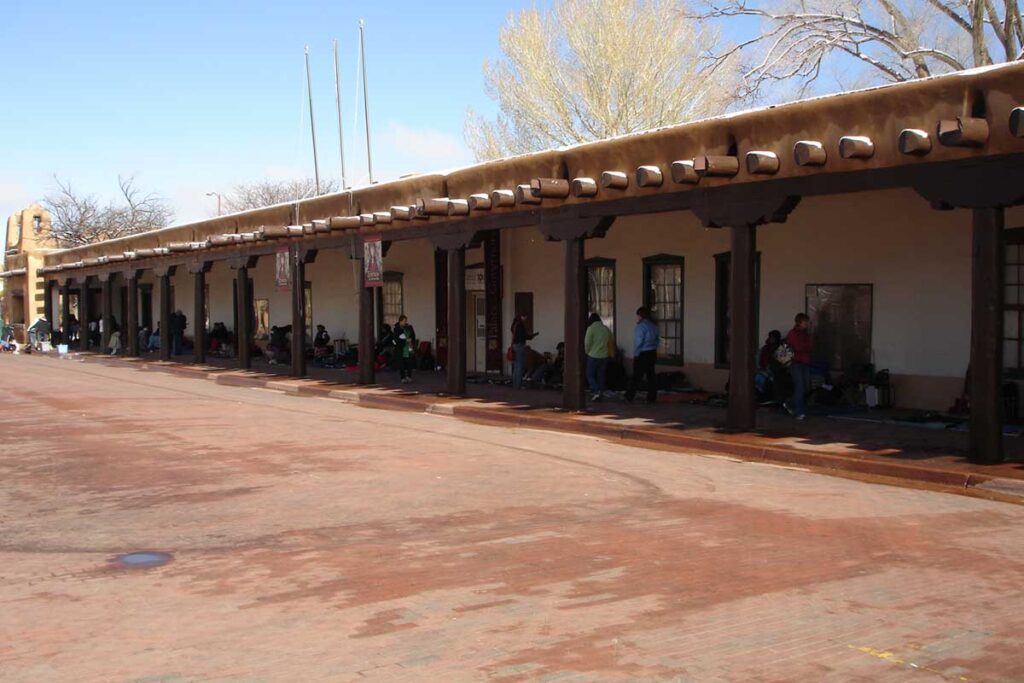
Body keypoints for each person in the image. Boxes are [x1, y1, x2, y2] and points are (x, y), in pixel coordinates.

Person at [625, 306, 659, 404]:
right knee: (651, 376)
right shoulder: (654, 326)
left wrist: (636, 354)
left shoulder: (640, 327)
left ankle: (629, 395)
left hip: (643, 353)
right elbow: (657, 339)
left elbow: (638, 341)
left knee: (636, 376)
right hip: (652, 352)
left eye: (638, 316)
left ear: (640, 315)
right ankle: (651, 397)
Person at [784, 313, 814, 420]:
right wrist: (806, 347)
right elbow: (798, 347)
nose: (807, 324)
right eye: (805, 322)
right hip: (795, 363)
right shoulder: (793, 333)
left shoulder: (806, 334)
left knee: (806, 387)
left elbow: (809, 347)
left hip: (805, 362)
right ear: (799, 322)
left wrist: (806, 347)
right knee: (800, 386)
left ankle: (789, 402)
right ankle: (799, 411)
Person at [584, 313, 613, 401]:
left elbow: (587, 342)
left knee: (590, 374)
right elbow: (610, 341)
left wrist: (587, 351)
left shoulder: (591, 328)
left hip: (593, 355)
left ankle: (596, 391)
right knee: (601, 375)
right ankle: (601, 391)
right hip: (604, 356)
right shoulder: (606, 329)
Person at [510, 313, 538, 389]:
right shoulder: (520, 325)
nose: (525, 318)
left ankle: (514, 383)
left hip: (514, 345)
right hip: (520, 345)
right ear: (521, 316)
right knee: (520, 365)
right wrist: (531, 336)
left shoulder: (514, 324)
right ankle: (518, 385)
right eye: (524, 316)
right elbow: (524, 336)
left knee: (516, 365)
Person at [393, 315, 417, 383]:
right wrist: (404, 341)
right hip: (401, 349)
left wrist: (411, 340)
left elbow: (413, 335)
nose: (405, 322)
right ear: (400, 321)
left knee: (409, 363)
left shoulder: (409, 327)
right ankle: (402, 377)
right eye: (404, 321)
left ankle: (409, 376)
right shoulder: (396, 329)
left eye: (406, 321)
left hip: (408, 347)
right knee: (401, 364)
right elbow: (395, 340)